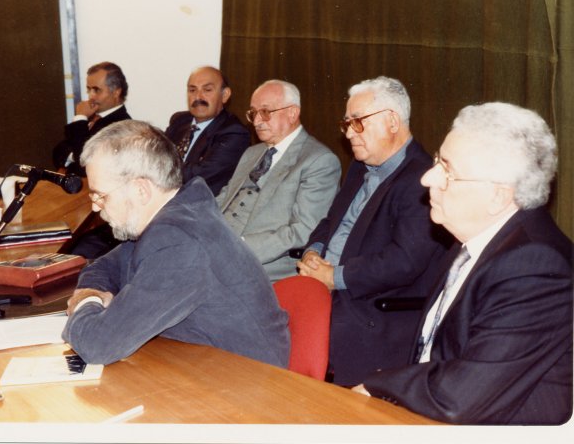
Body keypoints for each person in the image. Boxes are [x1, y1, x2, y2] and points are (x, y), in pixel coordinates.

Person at [354, 102, 573, 425]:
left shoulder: (536, 267)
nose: (428, 178)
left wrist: (376, 384)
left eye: (448, 171)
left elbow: (459, 397)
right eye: (437, 161)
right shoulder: (479, 235)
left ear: (498, 196)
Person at [61, 120, 290, 367]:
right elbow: (101, 268)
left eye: (100, 195)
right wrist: (94, 293)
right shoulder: (169, 216)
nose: (95, 206)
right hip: (200, 365)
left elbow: (97, 344)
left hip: (248, 386)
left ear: (141, 190)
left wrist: (85, 302)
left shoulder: (179, 241)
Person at [297, 76, 450, 386]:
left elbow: (403, 261)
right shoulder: (359, 166)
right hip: (326, 284)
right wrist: (313, 251)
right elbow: (331, 221)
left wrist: (334, 276)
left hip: (375, 303)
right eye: (347, 123)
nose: (350, 133)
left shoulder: (420, 177)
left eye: (358, 122)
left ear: (392, 121)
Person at [216, 79, 341, 283]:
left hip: (261, 263)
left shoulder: (319, 160)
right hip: (218, 246)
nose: (257, 121)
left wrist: (237, 248)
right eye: (253, 113)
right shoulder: (252, 153)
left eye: (265, 112)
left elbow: (304, 230)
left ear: (292, 113)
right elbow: (224, 198)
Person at [165, 66, 250, 195]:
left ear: (225, 95)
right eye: (192, 90)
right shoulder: (179, 120)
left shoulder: (234, 132)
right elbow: (157, 152)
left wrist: (156, 166)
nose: (198, 97)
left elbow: (200, 176)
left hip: (197, 204)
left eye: (207, 90)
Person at [52, 61, 131, 176]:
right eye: (89, 89)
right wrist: (75, 155)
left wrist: (80, 117)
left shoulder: (122, 125)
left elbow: (86, 164)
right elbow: (58, 151)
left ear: (116, 92)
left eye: (96, 90)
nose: (91, 96)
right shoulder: (92, 117)